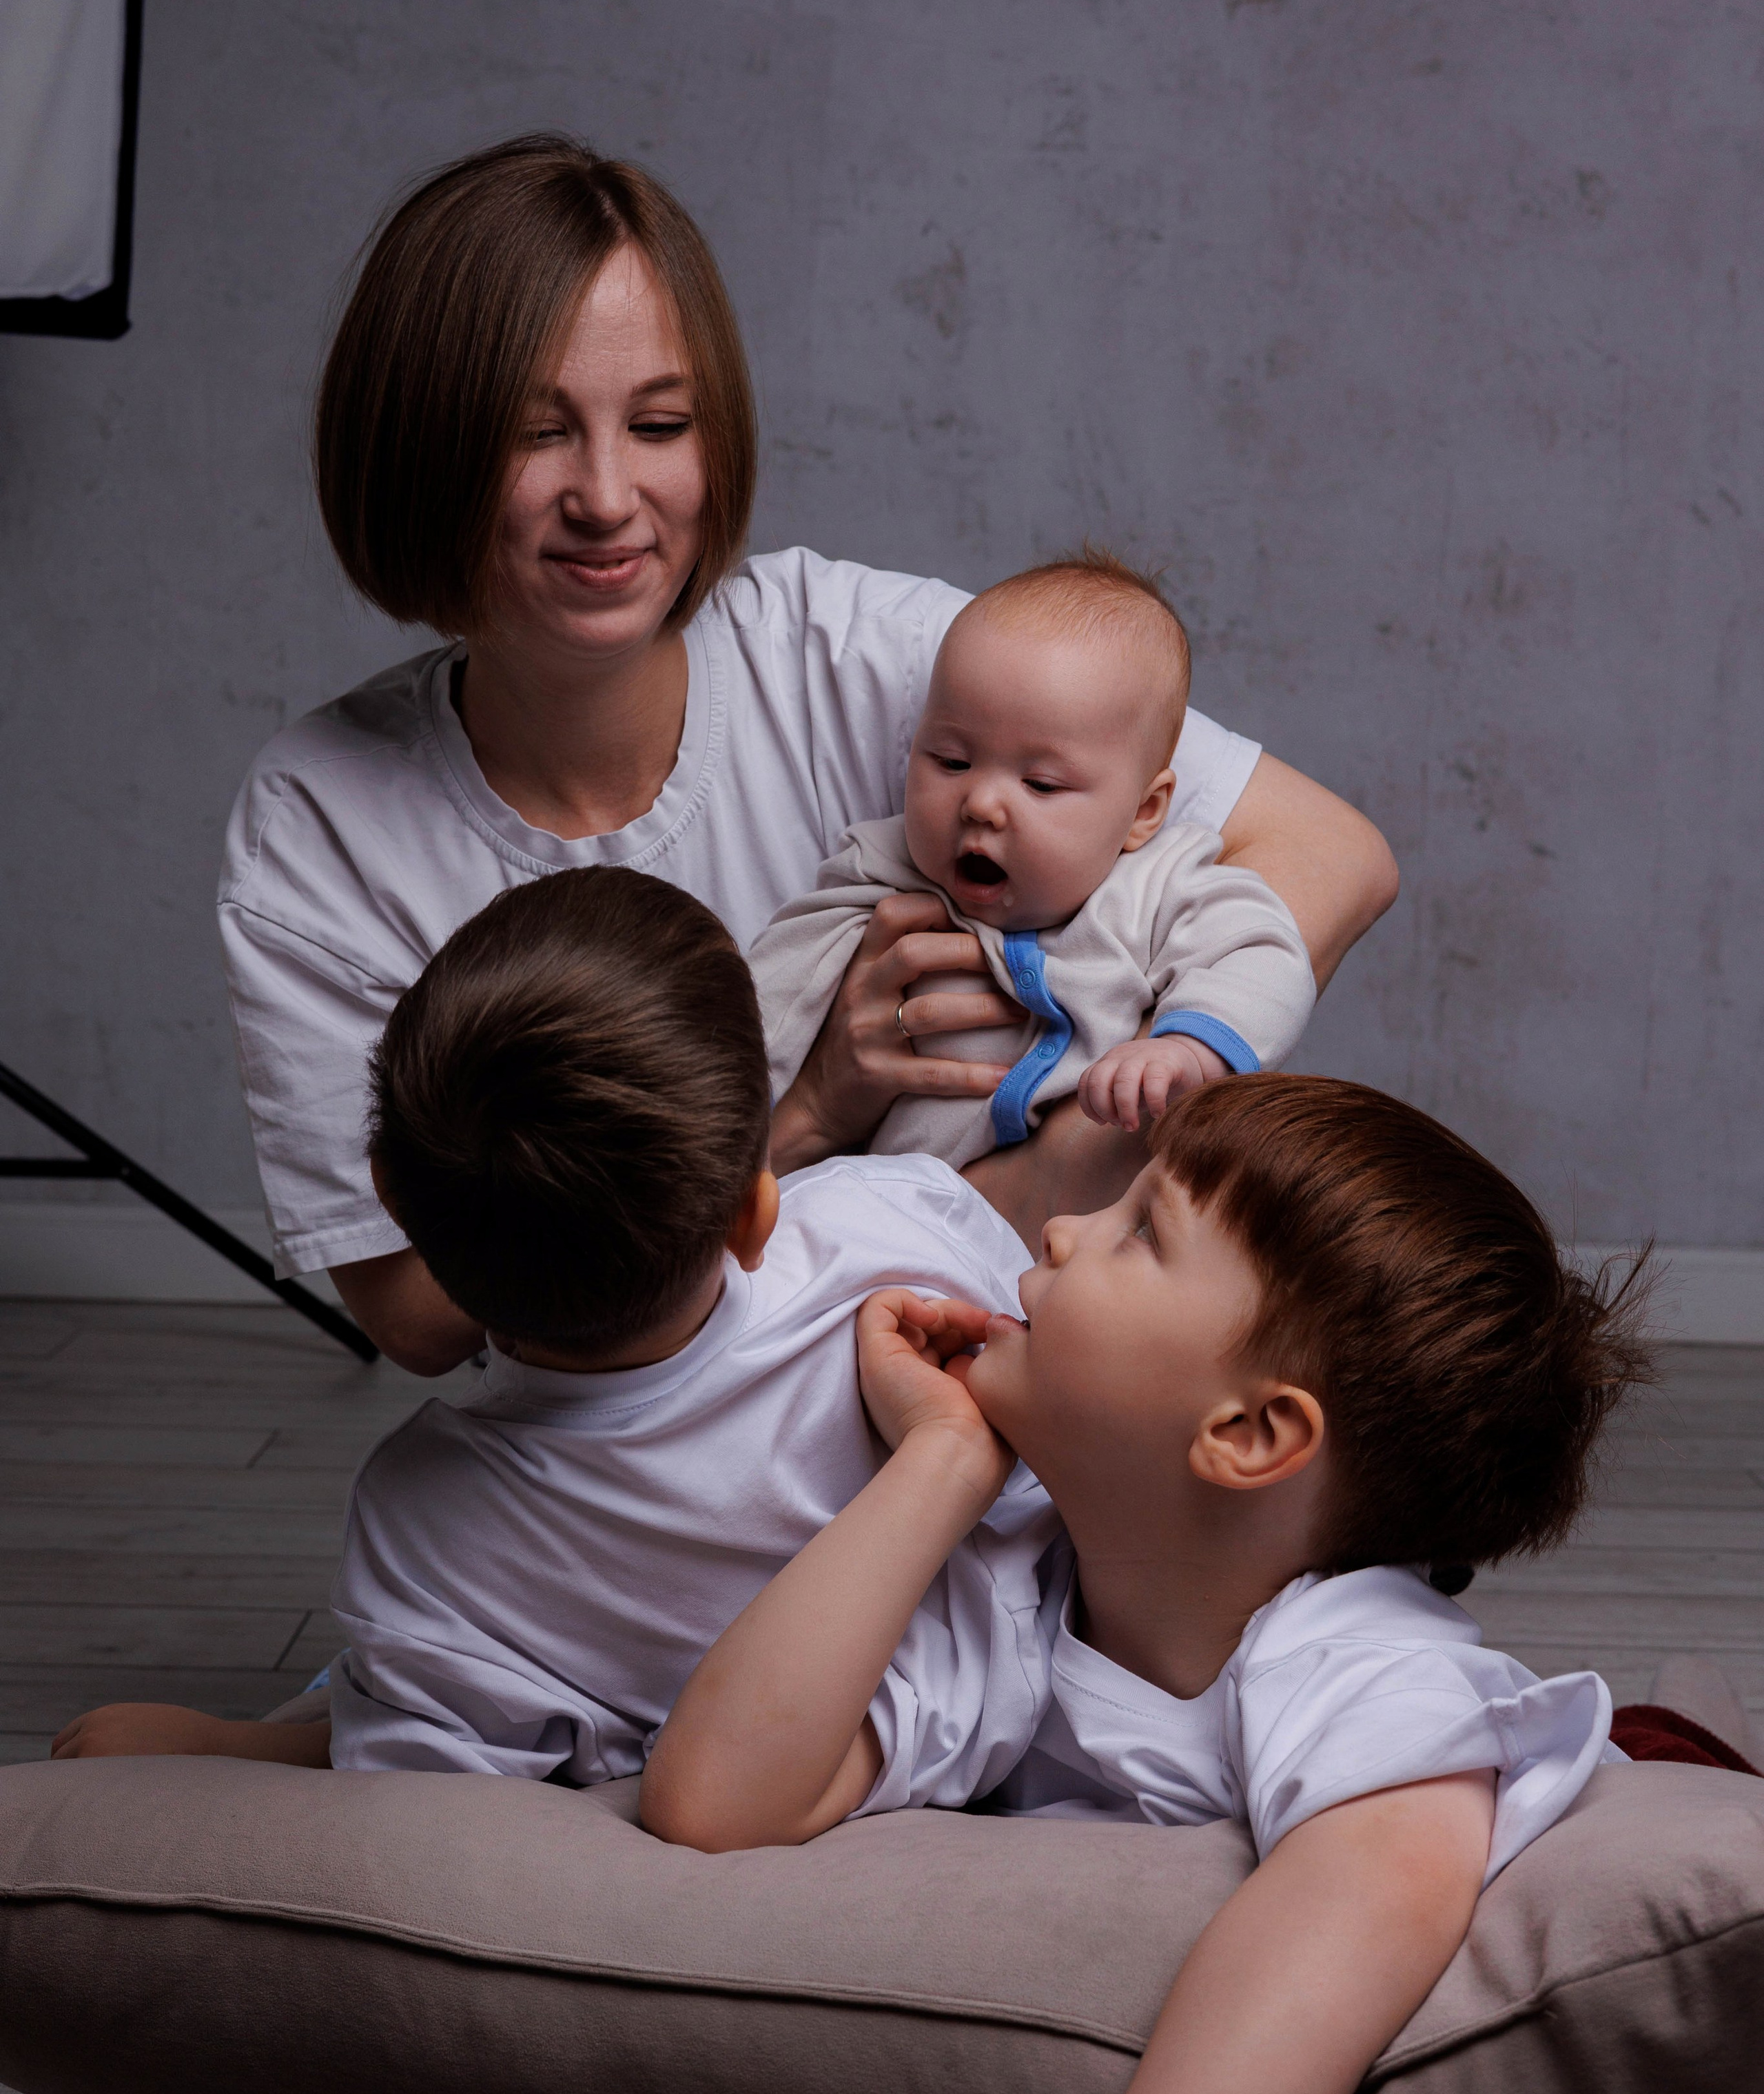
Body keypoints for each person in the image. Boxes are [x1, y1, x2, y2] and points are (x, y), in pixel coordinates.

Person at [216, 132, 1399, 1375]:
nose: (609, 496)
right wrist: (805, 1122)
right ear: (421, 447)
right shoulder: (323, 822)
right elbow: (415, 1314)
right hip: (606, 1447)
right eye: (535, 434)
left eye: (661, 423)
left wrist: (1105, 1115)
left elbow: (1334, 853)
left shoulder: (857, 653)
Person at [640, 1076, 1653, 2094]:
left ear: (1248, 1435)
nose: (1064, 1229)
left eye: (1141, 1233)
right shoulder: (1016, 1598)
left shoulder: (1349, 1649)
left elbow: (1383, 1881)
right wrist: (945, 1463)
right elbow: (711, 1802)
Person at [54, 869, 1052, 1780]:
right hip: (924, 1703)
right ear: (756, 1214)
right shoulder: (896, 1229)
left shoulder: (422, 1523)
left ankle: (285, 1744)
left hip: (599, 1709)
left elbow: (427, 1781)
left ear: (392, 1200)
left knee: (420, 1681)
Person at [751, 550, 1315, 1168]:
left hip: (1082, 1225)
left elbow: (1266, 956)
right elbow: (780, 985)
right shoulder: (882, 870)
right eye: (951, 761)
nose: (982, 803)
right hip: (895, 1205)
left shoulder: (1161, 884)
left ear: (1143, 812)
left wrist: (1185, 1047)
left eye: (1041, 785)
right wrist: (744, 1104)